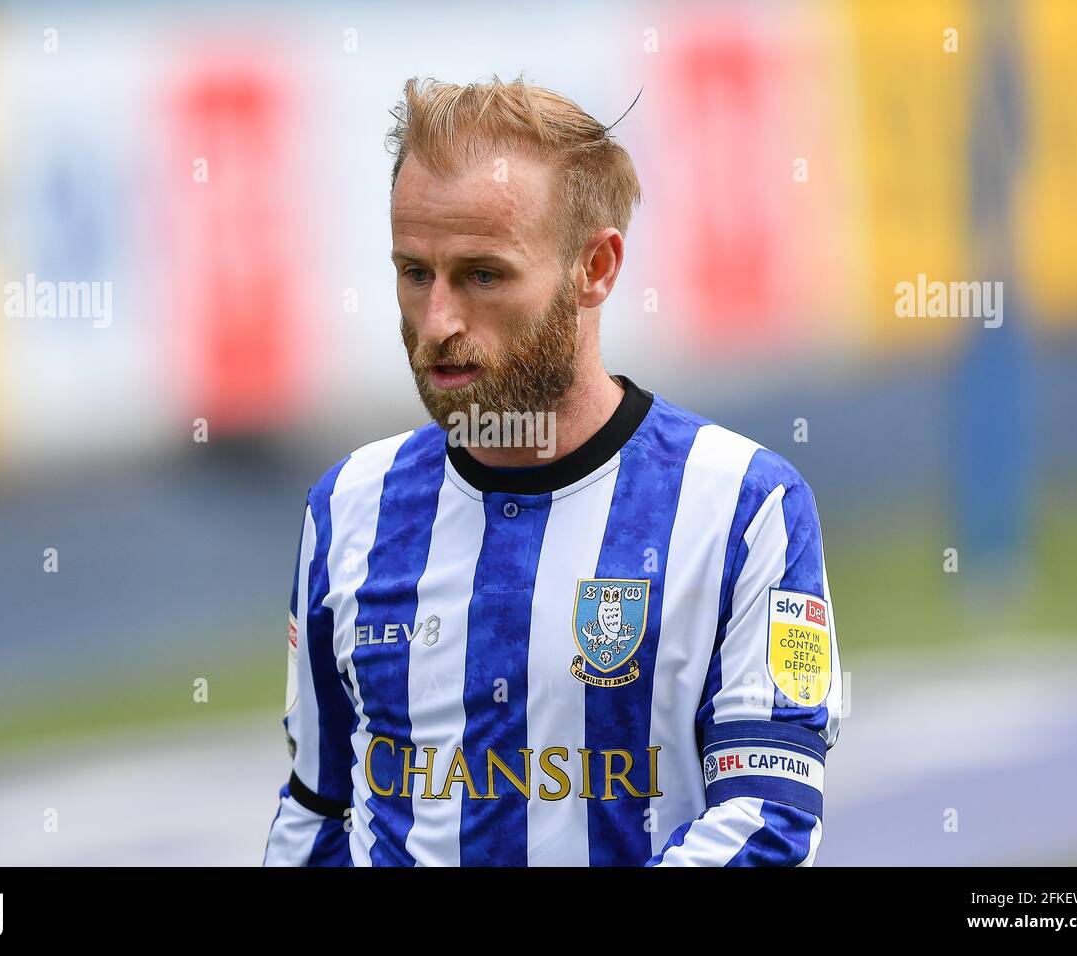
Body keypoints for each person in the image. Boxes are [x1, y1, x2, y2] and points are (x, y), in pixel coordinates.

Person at [264, 75, 842, 867]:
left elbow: (767, 824)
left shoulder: (744, 507)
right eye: (414, 272)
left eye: (484, 275)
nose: (438, 323)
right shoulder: (347, 509)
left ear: (595, 268)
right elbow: (318, 808)